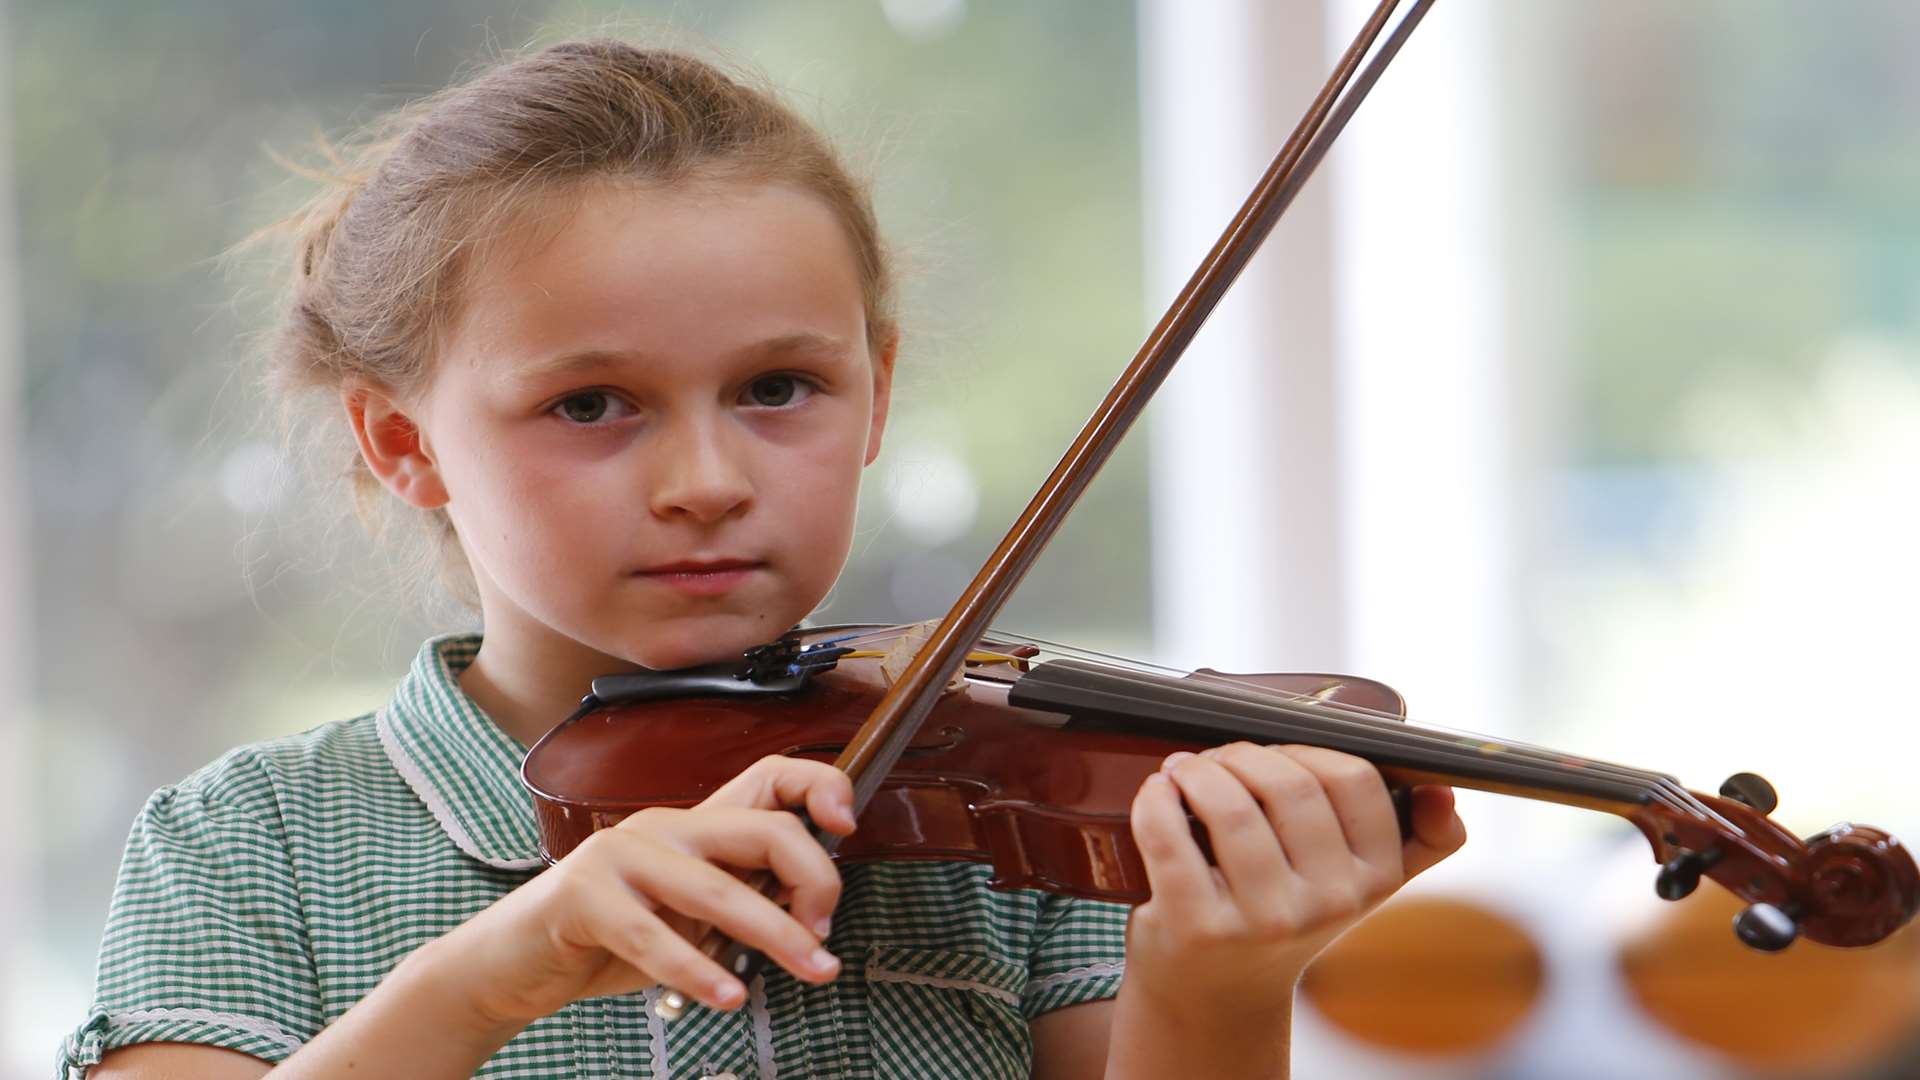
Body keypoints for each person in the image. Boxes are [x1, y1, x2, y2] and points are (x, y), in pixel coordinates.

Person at [62, 39, 1466, 1080]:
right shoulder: (249, 843)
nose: (708, 484)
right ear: (404, 444)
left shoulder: (1011, 836)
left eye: (780, 388)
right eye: (591, 405)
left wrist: (1218, 983)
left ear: (878, 387)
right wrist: (503, 969)